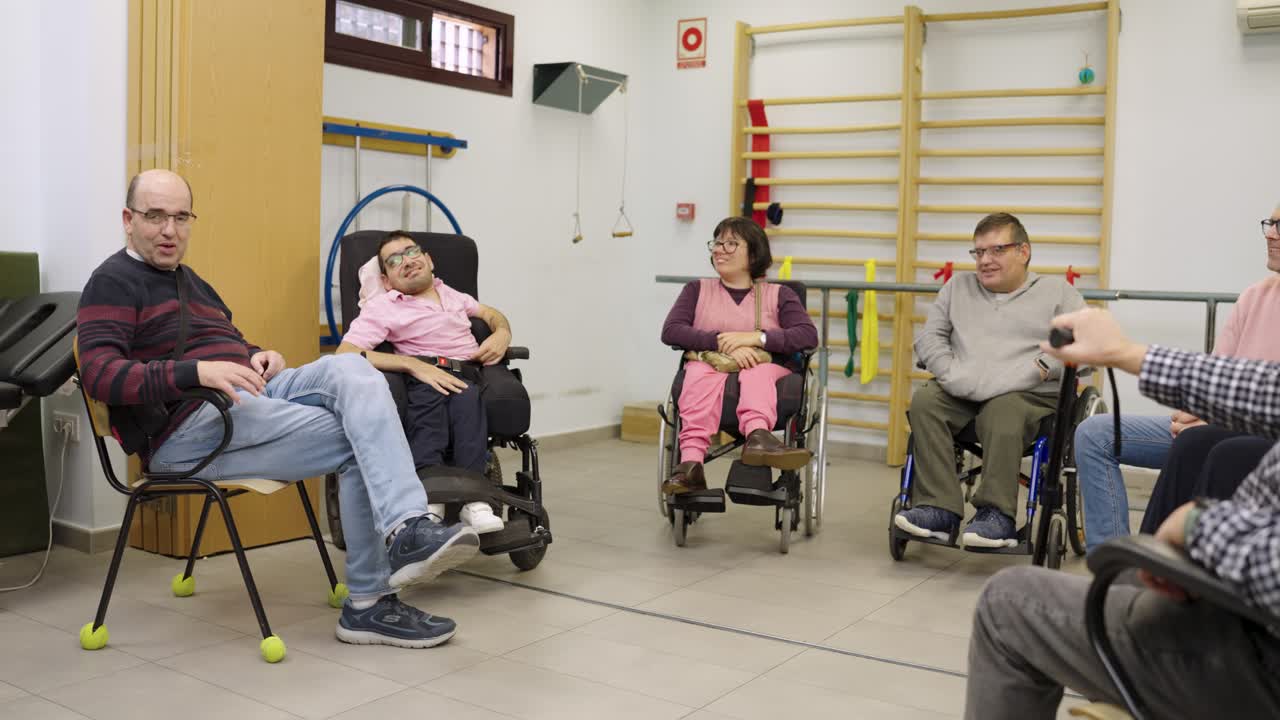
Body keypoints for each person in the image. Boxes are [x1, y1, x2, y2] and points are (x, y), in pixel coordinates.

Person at [77, 169, 478, 649]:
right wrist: (197, 373)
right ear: (128, 219)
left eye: (181, 217)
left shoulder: (192, 282)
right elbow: (101, 375)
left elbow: (225, 343)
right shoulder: (112, 282)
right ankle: (370, 602)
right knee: (361, 435)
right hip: (189, 431)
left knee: (352, 371)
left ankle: (407, 527)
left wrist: (256, 354)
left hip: (251, 395)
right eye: (155, 216)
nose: (170, 230)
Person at [965, 306, 1280, 719]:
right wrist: (1126, 353)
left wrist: (1199, 525)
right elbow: (1261, 387)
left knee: (1006, 602)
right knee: (1128, 565)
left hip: (1257, 654)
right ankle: (1114, 576)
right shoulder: (1255, 298)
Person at [1074, 205, 1280, 551]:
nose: (1271, 233)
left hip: (1249, 434)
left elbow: (1260, 395)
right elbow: (1215, 375)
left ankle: (1163, 566)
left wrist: (1212, 415)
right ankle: (1111, 560)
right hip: (1213, 424)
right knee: (1093, 434)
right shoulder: (1255, 296)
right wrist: (1193, 411)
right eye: (1271, 223)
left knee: (1209, 446)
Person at [895, 213, 1086, 548]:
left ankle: (996, 515)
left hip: (1029, 393)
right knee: (926, 401)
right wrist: (952, 374)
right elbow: (931, 338)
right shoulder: (957, 287)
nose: (985, 260)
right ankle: (940, 509)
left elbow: (1080, 341)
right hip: (964, 386)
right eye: (979, 252)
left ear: (1023, 251)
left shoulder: (1058, 292)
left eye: (996, 250)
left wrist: (1039, 368)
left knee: (1003, 410)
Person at [336, 230, 512, 533]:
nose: (406, 261)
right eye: (393, 261)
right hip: (423, 375)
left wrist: (502, 333)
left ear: (428, 260)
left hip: (467, 372)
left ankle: (475, 503)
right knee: (427, 417)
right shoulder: (385, 306)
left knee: (468, 403)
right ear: (388, 281)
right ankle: (428, 502)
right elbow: (346, 353)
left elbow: (491, 314)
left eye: (411, 252)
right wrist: (410, 364)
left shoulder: (453, 294)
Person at [660, 216, 818, 494]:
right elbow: (672, 331)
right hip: (710, 367)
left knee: (755, 371)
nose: (720, 249)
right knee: (695, 373)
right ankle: (691, 466)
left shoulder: (780, 295)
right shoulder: (697, 290)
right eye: (717, 243)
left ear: (754, 252)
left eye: (731, 243)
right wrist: (722, 341)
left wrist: (757, 338)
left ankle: (758, 437)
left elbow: (807, 336)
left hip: (768, 371)